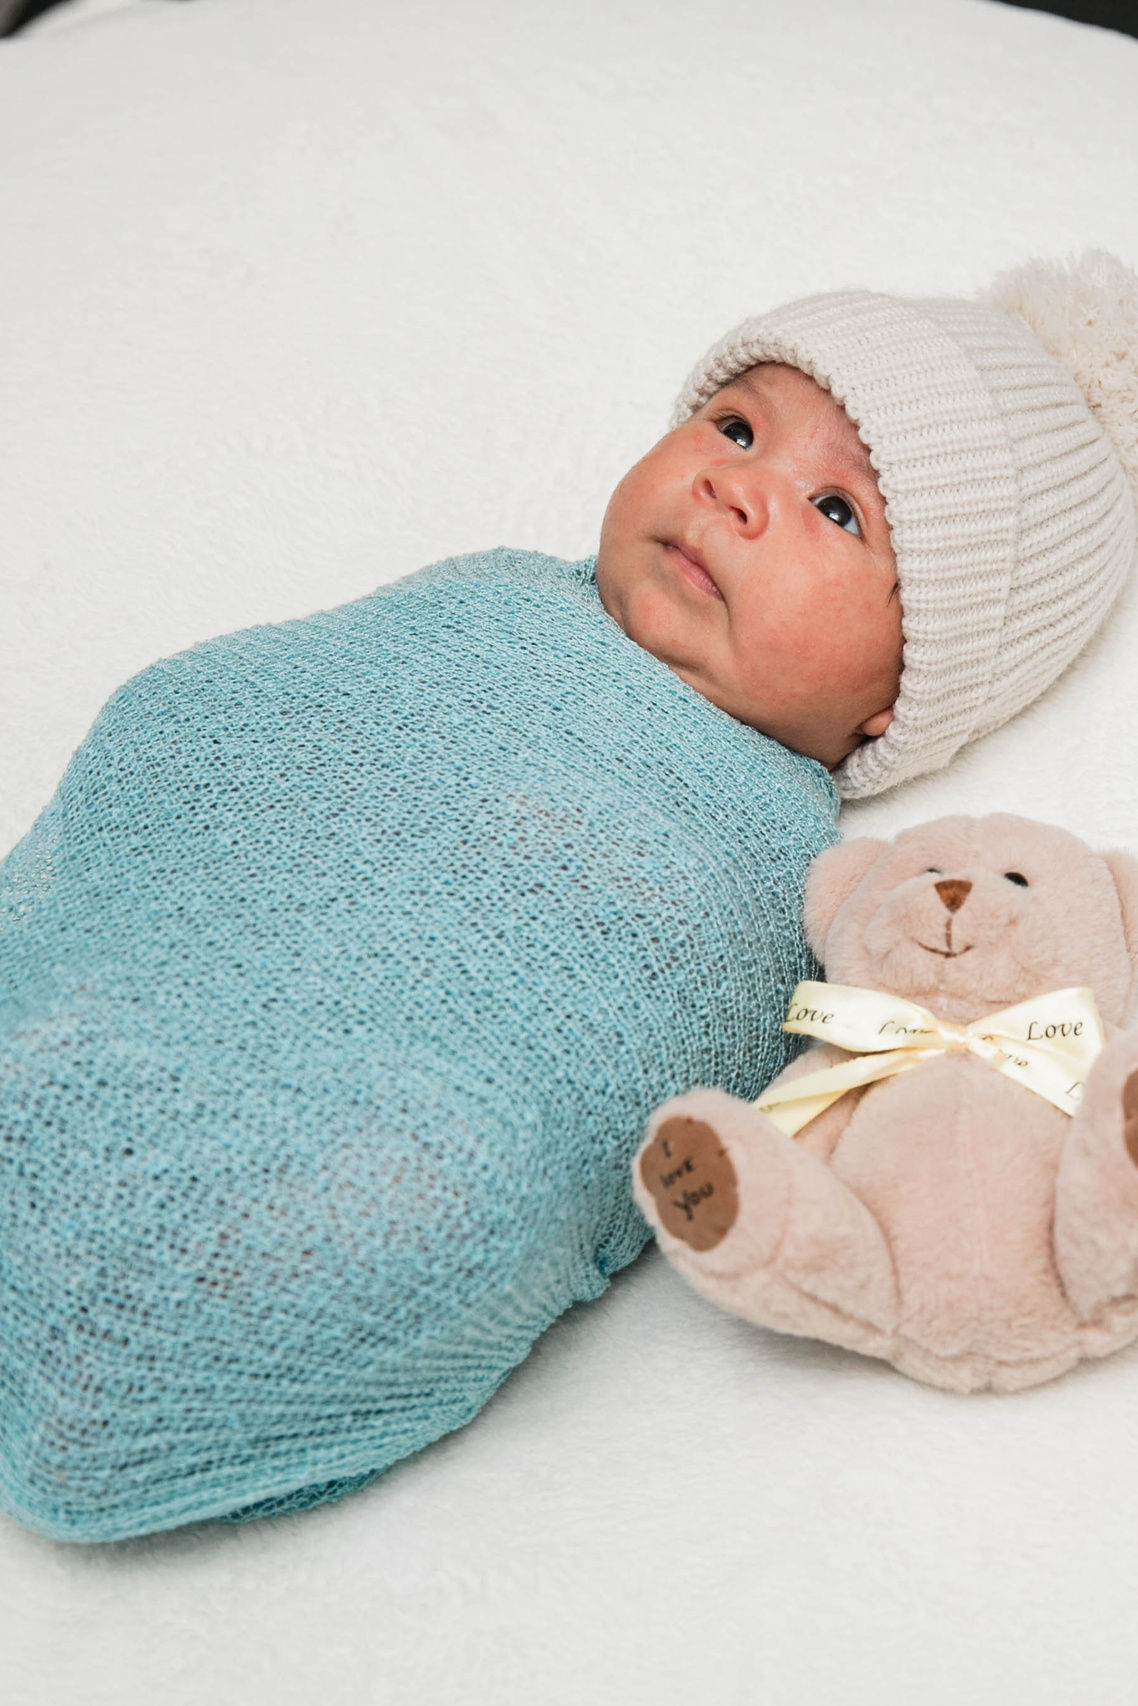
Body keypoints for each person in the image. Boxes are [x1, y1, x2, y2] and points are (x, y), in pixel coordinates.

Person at [0, 251, 1135, 1543]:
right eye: (735, 427)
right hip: (183, 925)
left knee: (448, 1180)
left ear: (897, 693)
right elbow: (252, 724)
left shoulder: (787, 881)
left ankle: (141, 1348)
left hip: (421, 1089)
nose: (737, 486)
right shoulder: (484, 597)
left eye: (836, 512)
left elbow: (660, 1059)